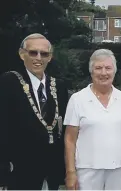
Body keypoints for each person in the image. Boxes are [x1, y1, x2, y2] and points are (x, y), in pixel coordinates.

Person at [0, 33, 69, 190]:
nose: (39, 58)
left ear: (50, 57)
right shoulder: (8, 82)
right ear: (22, 54)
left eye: (44, 54)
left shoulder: (59, 86)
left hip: (51, 172)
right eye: (33, 52)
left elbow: (63, 129)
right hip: (19, 170)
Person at [63, 49, 121, 190]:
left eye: (108, 68)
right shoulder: (77, 99)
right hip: (87, 169)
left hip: (120, 168)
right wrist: (71, 172)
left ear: (114, 71)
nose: (103, 73)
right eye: (98, 68)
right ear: (91, 71)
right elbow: (70, 139)